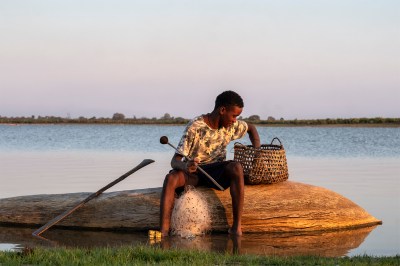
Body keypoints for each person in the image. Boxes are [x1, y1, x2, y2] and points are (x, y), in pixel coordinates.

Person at [159, 90, 260, 236]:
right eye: (234, 116)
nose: (235, 120)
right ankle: (163, 232)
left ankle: (236, 228)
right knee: (171, 178)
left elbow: (251, 128)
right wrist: (186, 166)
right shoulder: (195, 126)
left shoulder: (231, 126)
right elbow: (175, 161)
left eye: (237, 117)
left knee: (236, 167)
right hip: (194, 172)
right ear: (222, 110)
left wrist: (257, 151)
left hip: (216, 173)